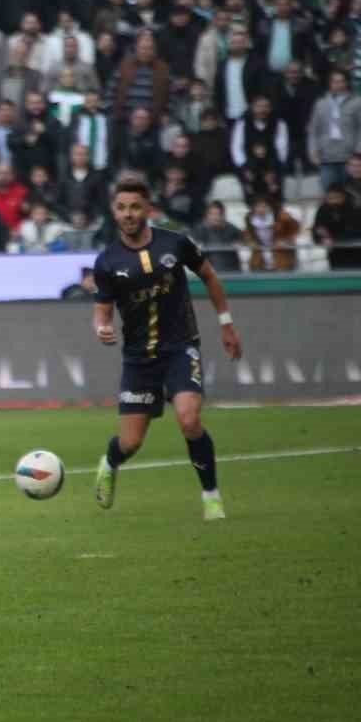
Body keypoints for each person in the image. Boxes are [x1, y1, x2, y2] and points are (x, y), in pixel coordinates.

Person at [91, 176, 244, 522]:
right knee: (130, 443)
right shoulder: (107, 261)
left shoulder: (175, 243)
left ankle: (211, 496)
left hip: (180, 348)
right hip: (138, 358)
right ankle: (110, 462)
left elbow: (210, 277)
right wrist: (102, 328)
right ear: (114, 211)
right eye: (122, 208)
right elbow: (102, 311)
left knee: (189, 418)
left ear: (147, 208)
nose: (128, 214)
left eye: (135, 207)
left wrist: (226, 324)